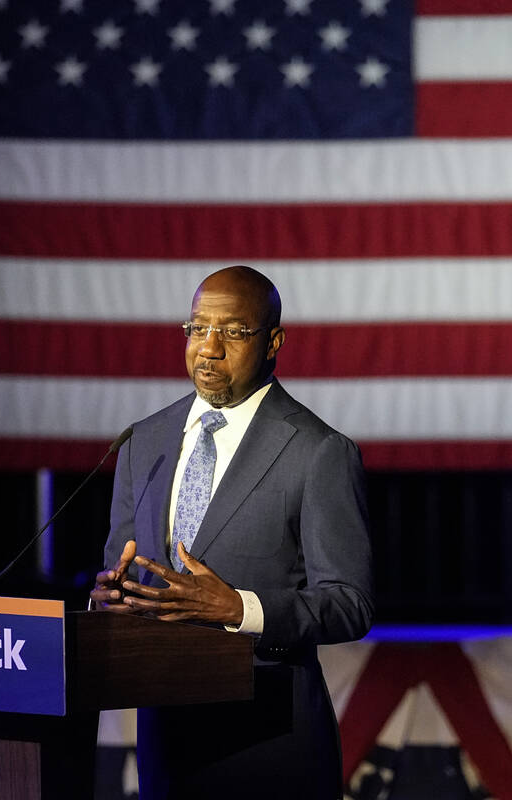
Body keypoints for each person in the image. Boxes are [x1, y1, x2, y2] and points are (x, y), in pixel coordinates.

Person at [91, 265, 374, 799]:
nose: (209, 348)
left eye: (235, 332)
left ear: (274, 342)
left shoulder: (319, 452)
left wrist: (239, 609)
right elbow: (117, 572)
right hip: (166, 738)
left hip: (270, 742)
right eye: (197, 329)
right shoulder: (142, 442)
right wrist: (110, 599)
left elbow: (350, 603)